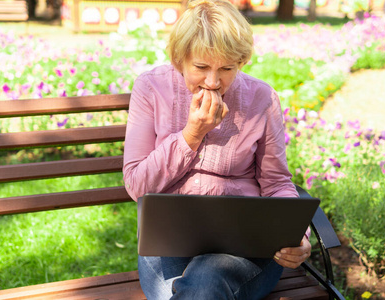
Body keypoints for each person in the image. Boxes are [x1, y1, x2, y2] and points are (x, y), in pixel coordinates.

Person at [122, 0, 311, 298]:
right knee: (201, 289)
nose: (213, 82)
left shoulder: (262, 99)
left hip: (246, 247)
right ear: (178, 59)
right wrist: (191, 134)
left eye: (227, 68)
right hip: (169, 244)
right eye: (200, 67)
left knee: (206, 281)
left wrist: (297, 235)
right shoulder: (151, 88)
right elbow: (136, 185)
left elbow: (277, 183)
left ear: (241, 62)